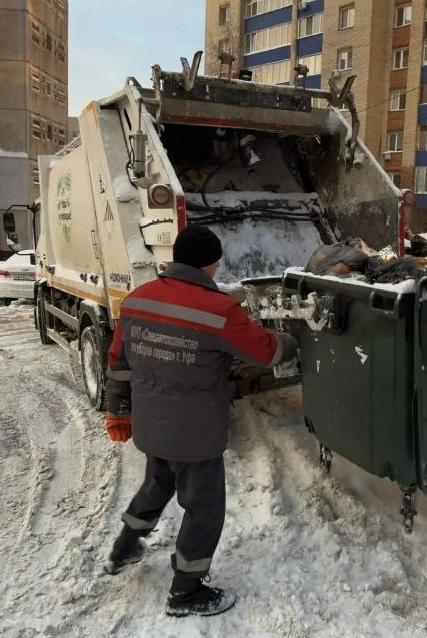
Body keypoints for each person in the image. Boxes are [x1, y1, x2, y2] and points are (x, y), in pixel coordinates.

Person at [101, 225, 298, 618]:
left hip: (151, 425)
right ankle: (186, 592)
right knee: (203, 509)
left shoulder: (138, 301)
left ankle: (124, 547)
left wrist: (117, 410)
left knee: (157, 484)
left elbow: (118, 362)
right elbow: (267, 353)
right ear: (211, 263)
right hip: (195, 433)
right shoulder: (219, 310)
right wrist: (294, 340)